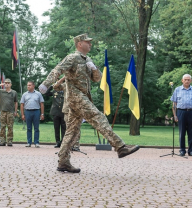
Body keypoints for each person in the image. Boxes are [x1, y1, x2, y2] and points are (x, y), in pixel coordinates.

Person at [39, 33, 140, 173]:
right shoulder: (72, 57)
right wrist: (46, 84)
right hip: (76, 97)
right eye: (87, 42)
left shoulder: (88, 59)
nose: (90, 44)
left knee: (72, 132)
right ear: (79, 44)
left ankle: (63, 162)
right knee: (98, 117)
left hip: (80, 98)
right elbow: (58, 69)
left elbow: (97, 79)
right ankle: (120, 147)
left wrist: (93, 68)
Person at [170, 74, 192, 157]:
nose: (187, 81)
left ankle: (191, 150)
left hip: (191, 112)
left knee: (191, 132)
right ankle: (182, 150)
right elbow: (174, 103)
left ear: (191, 81)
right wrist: (175, 115)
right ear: (182, 80)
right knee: (182, 132)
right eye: (185, 79)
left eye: (188, 79)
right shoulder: (177, 89)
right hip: (181, 112)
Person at [0, 80, 18, 146]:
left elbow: (16, 102)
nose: (7, 84)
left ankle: (9, 141)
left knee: (10, 127)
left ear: (11, 84)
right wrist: (0, 85)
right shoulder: (1, 91)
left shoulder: (14, 92)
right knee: (2, 127)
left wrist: (15, 111)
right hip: (3, 111)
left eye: (8, 83)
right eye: (6, 83)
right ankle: (2, 141)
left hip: (10, 112)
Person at [20, 81, 45, 147]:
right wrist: (22, 114)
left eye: (30, 85)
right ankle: (29, 142)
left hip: (36, 111)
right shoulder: (24, 94)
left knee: (36, 128)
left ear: (33, 86)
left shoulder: (38, 94)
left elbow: (41, 104)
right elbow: (22, 104)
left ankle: (36, 142)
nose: (28, 86)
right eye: (27, 85)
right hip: (27, 112)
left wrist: (42, 114)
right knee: (29, 128)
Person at [44, 77, 67, 148]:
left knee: (64, 128)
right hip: (55, 112)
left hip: (63, 111)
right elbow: (46, 93)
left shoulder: (66, 91)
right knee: (56, 128)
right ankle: (57, 142)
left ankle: (63, 142)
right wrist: (52, 86)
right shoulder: (54, 91)